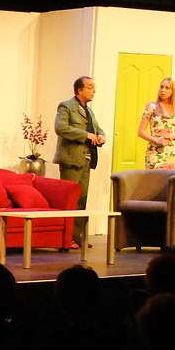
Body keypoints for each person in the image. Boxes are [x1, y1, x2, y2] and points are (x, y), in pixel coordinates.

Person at [53, 76, 106, 247]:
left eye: (94, 87)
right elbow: (60, 127)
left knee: (82, 200)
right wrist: (85, 135)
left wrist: (101, 135)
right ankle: (66, 238)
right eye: (90, 87)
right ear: (79, 90)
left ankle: (77, 237)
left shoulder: (89, 111)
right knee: (70, 200)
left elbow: (97, 127)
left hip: (86, 160)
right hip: (71, 160)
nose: (94, 90)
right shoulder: (66, 106)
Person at [137, 77, 175, 169]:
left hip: (170, 153)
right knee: (153, 177)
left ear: (173, 91)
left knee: (169, 178)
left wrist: (172, 136)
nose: (163, 90)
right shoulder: (151, 107)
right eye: (161, 87)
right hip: (154, 153)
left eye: (167, 88)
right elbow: (141, 132)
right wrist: (157, 140)